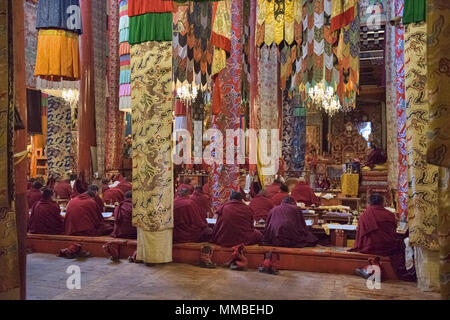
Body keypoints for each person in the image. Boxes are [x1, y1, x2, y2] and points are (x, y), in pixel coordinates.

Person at [350, 194, 416, 281]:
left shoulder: (364, 215)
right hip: (388, 247)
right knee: (401, 246)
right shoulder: (390, 215)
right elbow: (392, 231)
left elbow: (360, 234)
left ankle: (371, 270)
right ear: (382, 203)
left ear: (369, 203)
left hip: (369, 247)